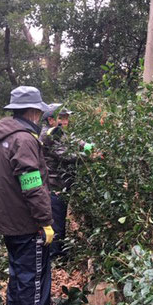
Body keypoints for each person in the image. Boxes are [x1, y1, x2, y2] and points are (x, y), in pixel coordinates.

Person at [0, 86, 54, 305]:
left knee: (18, 275)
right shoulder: (24, 139)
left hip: (8, 221)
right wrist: (45, 221)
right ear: (32, 111)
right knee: (33, 281)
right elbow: (31, 184)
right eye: (39, 111)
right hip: (27, 223)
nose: (39, 117)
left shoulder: (1, 137)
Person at [39, 103, 94, 259]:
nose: (66, 121)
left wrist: (86, 145)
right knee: (55, 222)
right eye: (62, 118)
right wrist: (88, 157)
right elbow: (65, 155)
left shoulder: (58, 132)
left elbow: (73, 140)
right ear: (50, 120)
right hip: (53, 185)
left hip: (61, 185)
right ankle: (55, 257)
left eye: (67, 117)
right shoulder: (48, 135)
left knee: (60, 220)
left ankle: (60, 253)